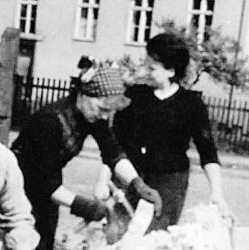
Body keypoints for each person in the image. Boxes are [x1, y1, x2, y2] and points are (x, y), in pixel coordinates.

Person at [12, 62, 163, 250]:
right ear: (84, 95)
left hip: (46, 194)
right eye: (102, 109)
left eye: (108, 112)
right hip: (18, 192)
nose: (103, 116)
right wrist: (85, 207)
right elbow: (43, 183)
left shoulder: (91, 116)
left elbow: (112, 152)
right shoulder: (49, 122)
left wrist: (137, 183)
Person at [94, 33, 231, 229]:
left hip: (169, 183)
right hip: (131, 179)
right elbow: (113, 145)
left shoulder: (191, 104)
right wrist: (102, 182)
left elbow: (207, 151)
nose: (146, 71)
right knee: (118, 236)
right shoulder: (134, 97)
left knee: (153, 241)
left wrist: (217, 193)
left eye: (152, 68)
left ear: (170, 71)